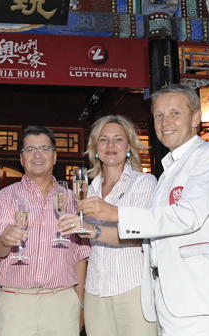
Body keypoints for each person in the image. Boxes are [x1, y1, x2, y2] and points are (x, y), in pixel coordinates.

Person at [60, 84, 209, 335]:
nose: (165, 122)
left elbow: (187, 216)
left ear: (196, 118)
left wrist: (114, 213)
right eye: (158, 115)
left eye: (174, 113)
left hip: (198, 294)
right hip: (162, 295)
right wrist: (89, 231)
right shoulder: (168, 170)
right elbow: (153, 234)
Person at [0, 126, 91, 336]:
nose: (37, 155)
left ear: (54, 156)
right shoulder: (7, 196)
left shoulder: (71, 198)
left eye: (44, 148)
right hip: (16, 301)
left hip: (61, 302)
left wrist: (80, 304)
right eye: (30, 150)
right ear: (22, 158)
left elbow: (80, 256)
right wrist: (5, 240)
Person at [59, 115, 157, 336]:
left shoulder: (144, 183)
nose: (111, 146)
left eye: (118, 139)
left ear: (129, 146)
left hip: (133, 290)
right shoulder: (88, 190)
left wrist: (91, 230)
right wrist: (81, 297)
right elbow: (82, 251)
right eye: (103, 140)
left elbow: (137, 236)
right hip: (95, 292)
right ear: (95, 148)